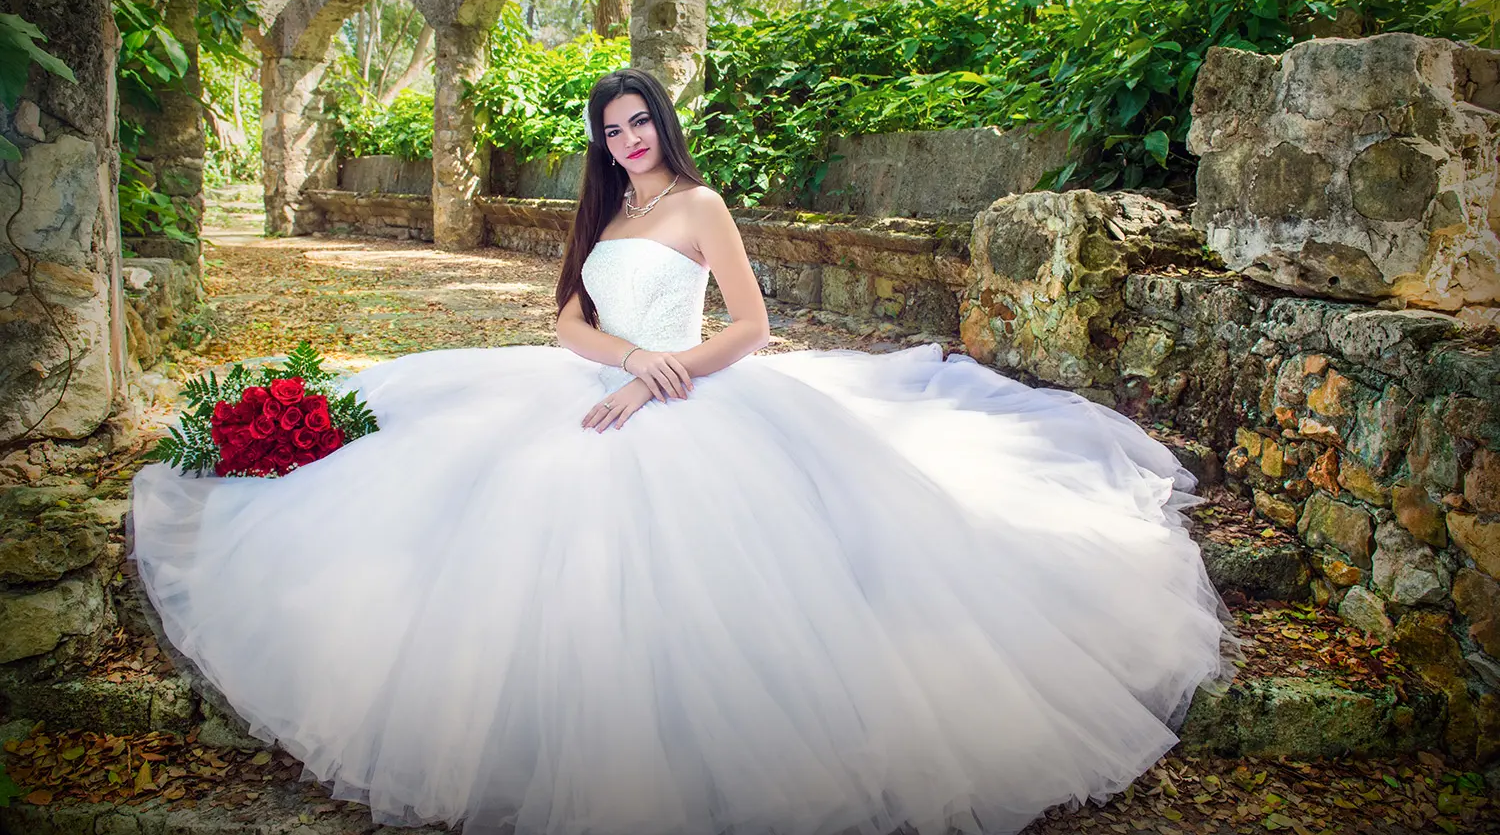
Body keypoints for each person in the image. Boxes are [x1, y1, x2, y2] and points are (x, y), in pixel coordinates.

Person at [130, 67, 1238, 835]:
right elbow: (566, 322)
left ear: (662, 124)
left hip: (700, 394)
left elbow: (752, 327)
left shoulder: (701, 205)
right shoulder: (603, 216)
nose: (627, 142)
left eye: (638, 124)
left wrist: (667, 373)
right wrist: (625, 361)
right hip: (603, 379)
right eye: (611, 131)